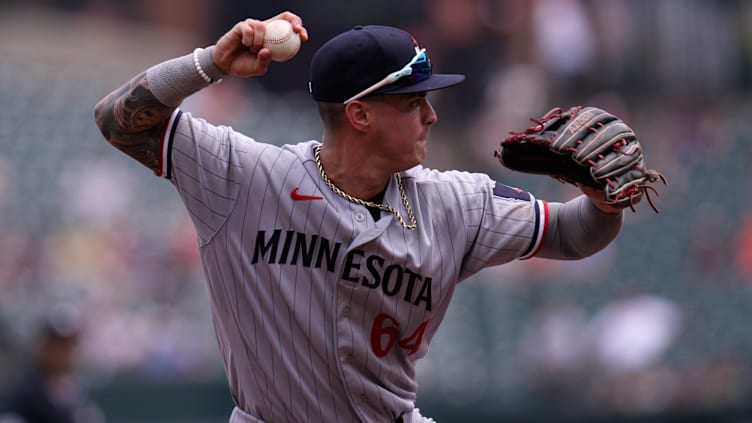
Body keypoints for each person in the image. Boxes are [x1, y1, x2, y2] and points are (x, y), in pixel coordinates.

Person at [94, 11, 624, 423]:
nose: (431, 114)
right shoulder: (246, 177)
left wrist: (603, 203)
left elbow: (574, 236)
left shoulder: (457, 203)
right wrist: (210, 63)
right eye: (413, 101)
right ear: (360, 113)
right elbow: (117, 120)